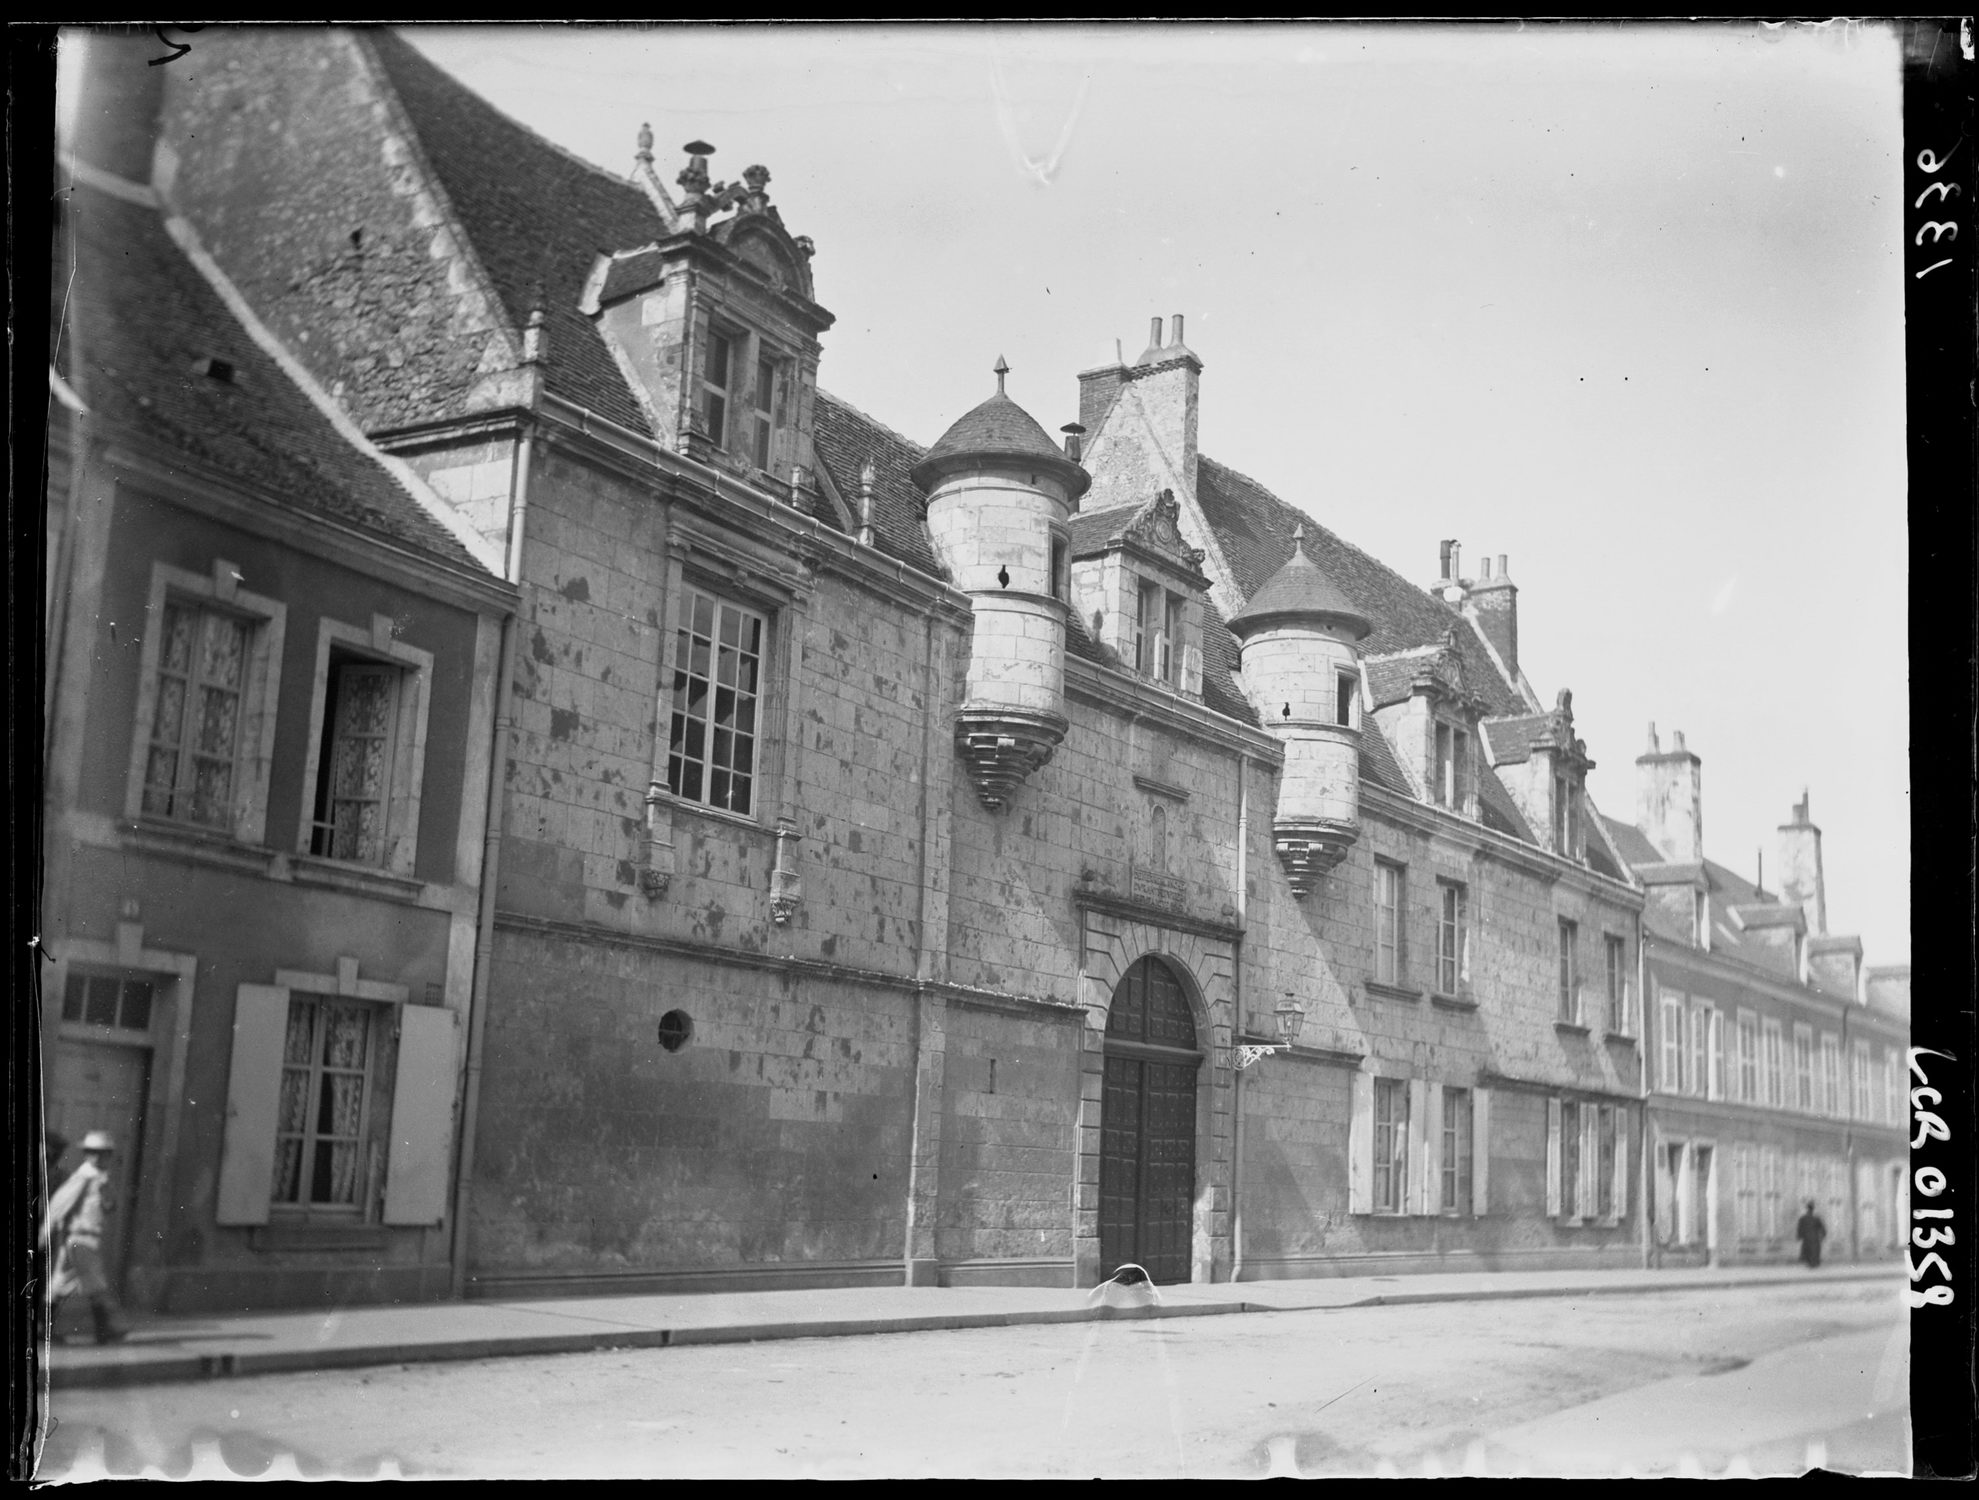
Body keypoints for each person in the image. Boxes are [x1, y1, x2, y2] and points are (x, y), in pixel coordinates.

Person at [43, 1131, 129, 1344]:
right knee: (96, 1285)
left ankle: (42, 1329)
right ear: (86, 1155)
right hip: (80, 1240)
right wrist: (44, 1233)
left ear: (109, 1154)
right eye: (92, 1153)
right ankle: (107, 1328)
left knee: (60, 1285)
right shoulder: (84, 1177)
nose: (97, 1158)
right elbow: (58, 1206)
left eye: (102, 1153)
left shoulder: (101, 1178)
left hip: (81, 1240)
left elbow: (109, 1206)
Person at [1795, 1199, 1827, 1270]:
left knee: (1808, 1250)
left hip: (1807, 1237)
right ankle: (1814, 1263)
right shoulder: (1816, 1218)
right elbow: (1822, 1227)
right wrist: (1823, 1235)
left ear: (1807, 1208)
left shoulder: (1803, 1218)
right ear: (1813, 1209)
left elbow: (1800, 1228)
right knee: (1814, 1250)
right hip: (1815, 1237)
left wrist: (1799, 1236)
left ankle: (1810, 1263)